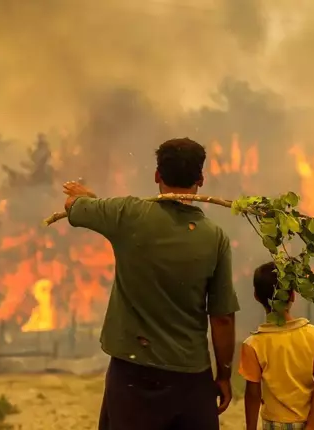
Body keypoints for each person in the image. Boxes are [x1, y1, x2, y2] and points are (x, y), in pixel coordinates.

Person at [62, 137, 240, 430]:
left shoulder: (127, 215)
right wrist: (223, 374)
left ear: (157, 176)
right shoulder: (214, 237)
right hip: (190, 377)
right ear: (201, 179)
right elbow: (221, 318)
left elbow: (74, 206)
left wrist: (85, 197)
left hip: (132, 374)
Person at [239, 262, 314, 430]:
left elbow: (253, 394)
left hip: (277, 424)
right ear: (293, 295)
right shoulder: (313, 335)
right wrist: (312, 426)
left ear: (256, 296)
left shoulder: (253, 345)